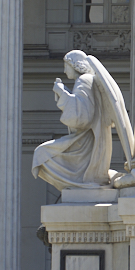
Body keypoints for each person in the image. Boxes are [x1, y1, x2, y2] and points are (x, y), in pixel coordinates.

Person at [32, 51, 114, 191]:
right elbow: (82, 106)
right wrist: (66, 93)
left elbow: (83, 118)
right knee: (42, 153)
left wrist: (62, 93)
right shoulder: (87, 80)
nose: (65, 71)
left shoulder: (84, 80)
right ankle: (78, 184)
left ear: (75, 65)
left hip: (87, 141)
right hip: (87, 138)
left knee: (42, 153)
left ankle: (80, 184)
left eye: (66, 66)